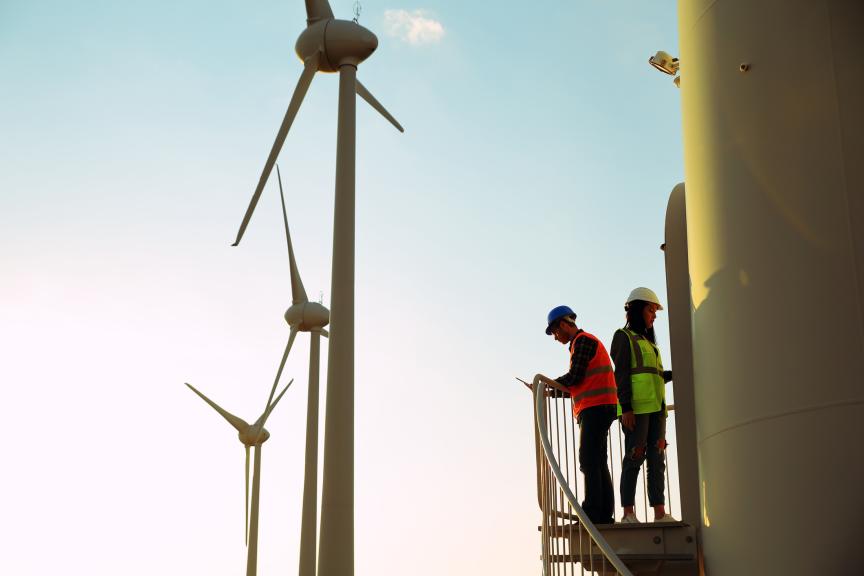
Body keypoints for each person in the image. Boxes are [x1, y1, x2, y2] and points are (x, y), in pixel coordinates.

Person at [545, 305, 619, 525]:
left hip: (596, 408)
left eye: (555, 332)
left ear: (564, 324)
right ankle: (603, 514)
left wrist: (549, 384)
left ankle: (593, 514)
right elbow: (579, 384)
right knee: (597, 460)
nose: (555, 337)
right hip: (599, 407)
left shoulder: (583, 341)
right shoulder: (581, 343)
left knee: (588, 459)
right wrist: (551, 391)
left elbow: (575, 377)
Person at [612, 287, 675, 523]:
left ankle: (659, 512)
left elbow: (653, 374)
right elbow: (622, 374)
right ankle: (628, 513)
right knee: (634, 457)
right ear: (639, 310)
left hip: (657, 408)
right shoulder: (623, 337)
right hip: (636, 409)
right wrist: (626, 408)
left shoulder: (650, 343)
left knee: (657, 459)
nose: (654, 316)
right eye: (651, 310)